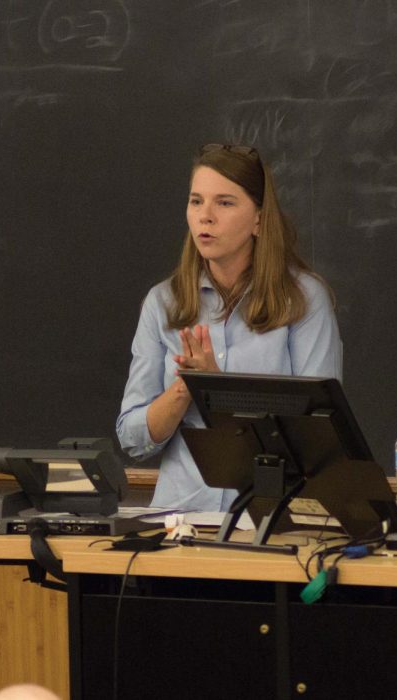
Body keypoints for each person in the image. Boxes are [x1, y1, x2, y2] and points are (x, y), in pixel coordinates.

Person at [116, 143, 342, 511]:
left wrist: (217, 387)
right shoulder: (163, 302)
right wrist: (185, 389)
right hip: (181, 520)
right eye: (195, 201)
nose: (205, 217)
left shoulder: (303, 299)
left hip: (272, 521)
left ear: (258, 219)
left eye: (224, 202)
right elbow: (133, 438)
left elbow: (320, 435)